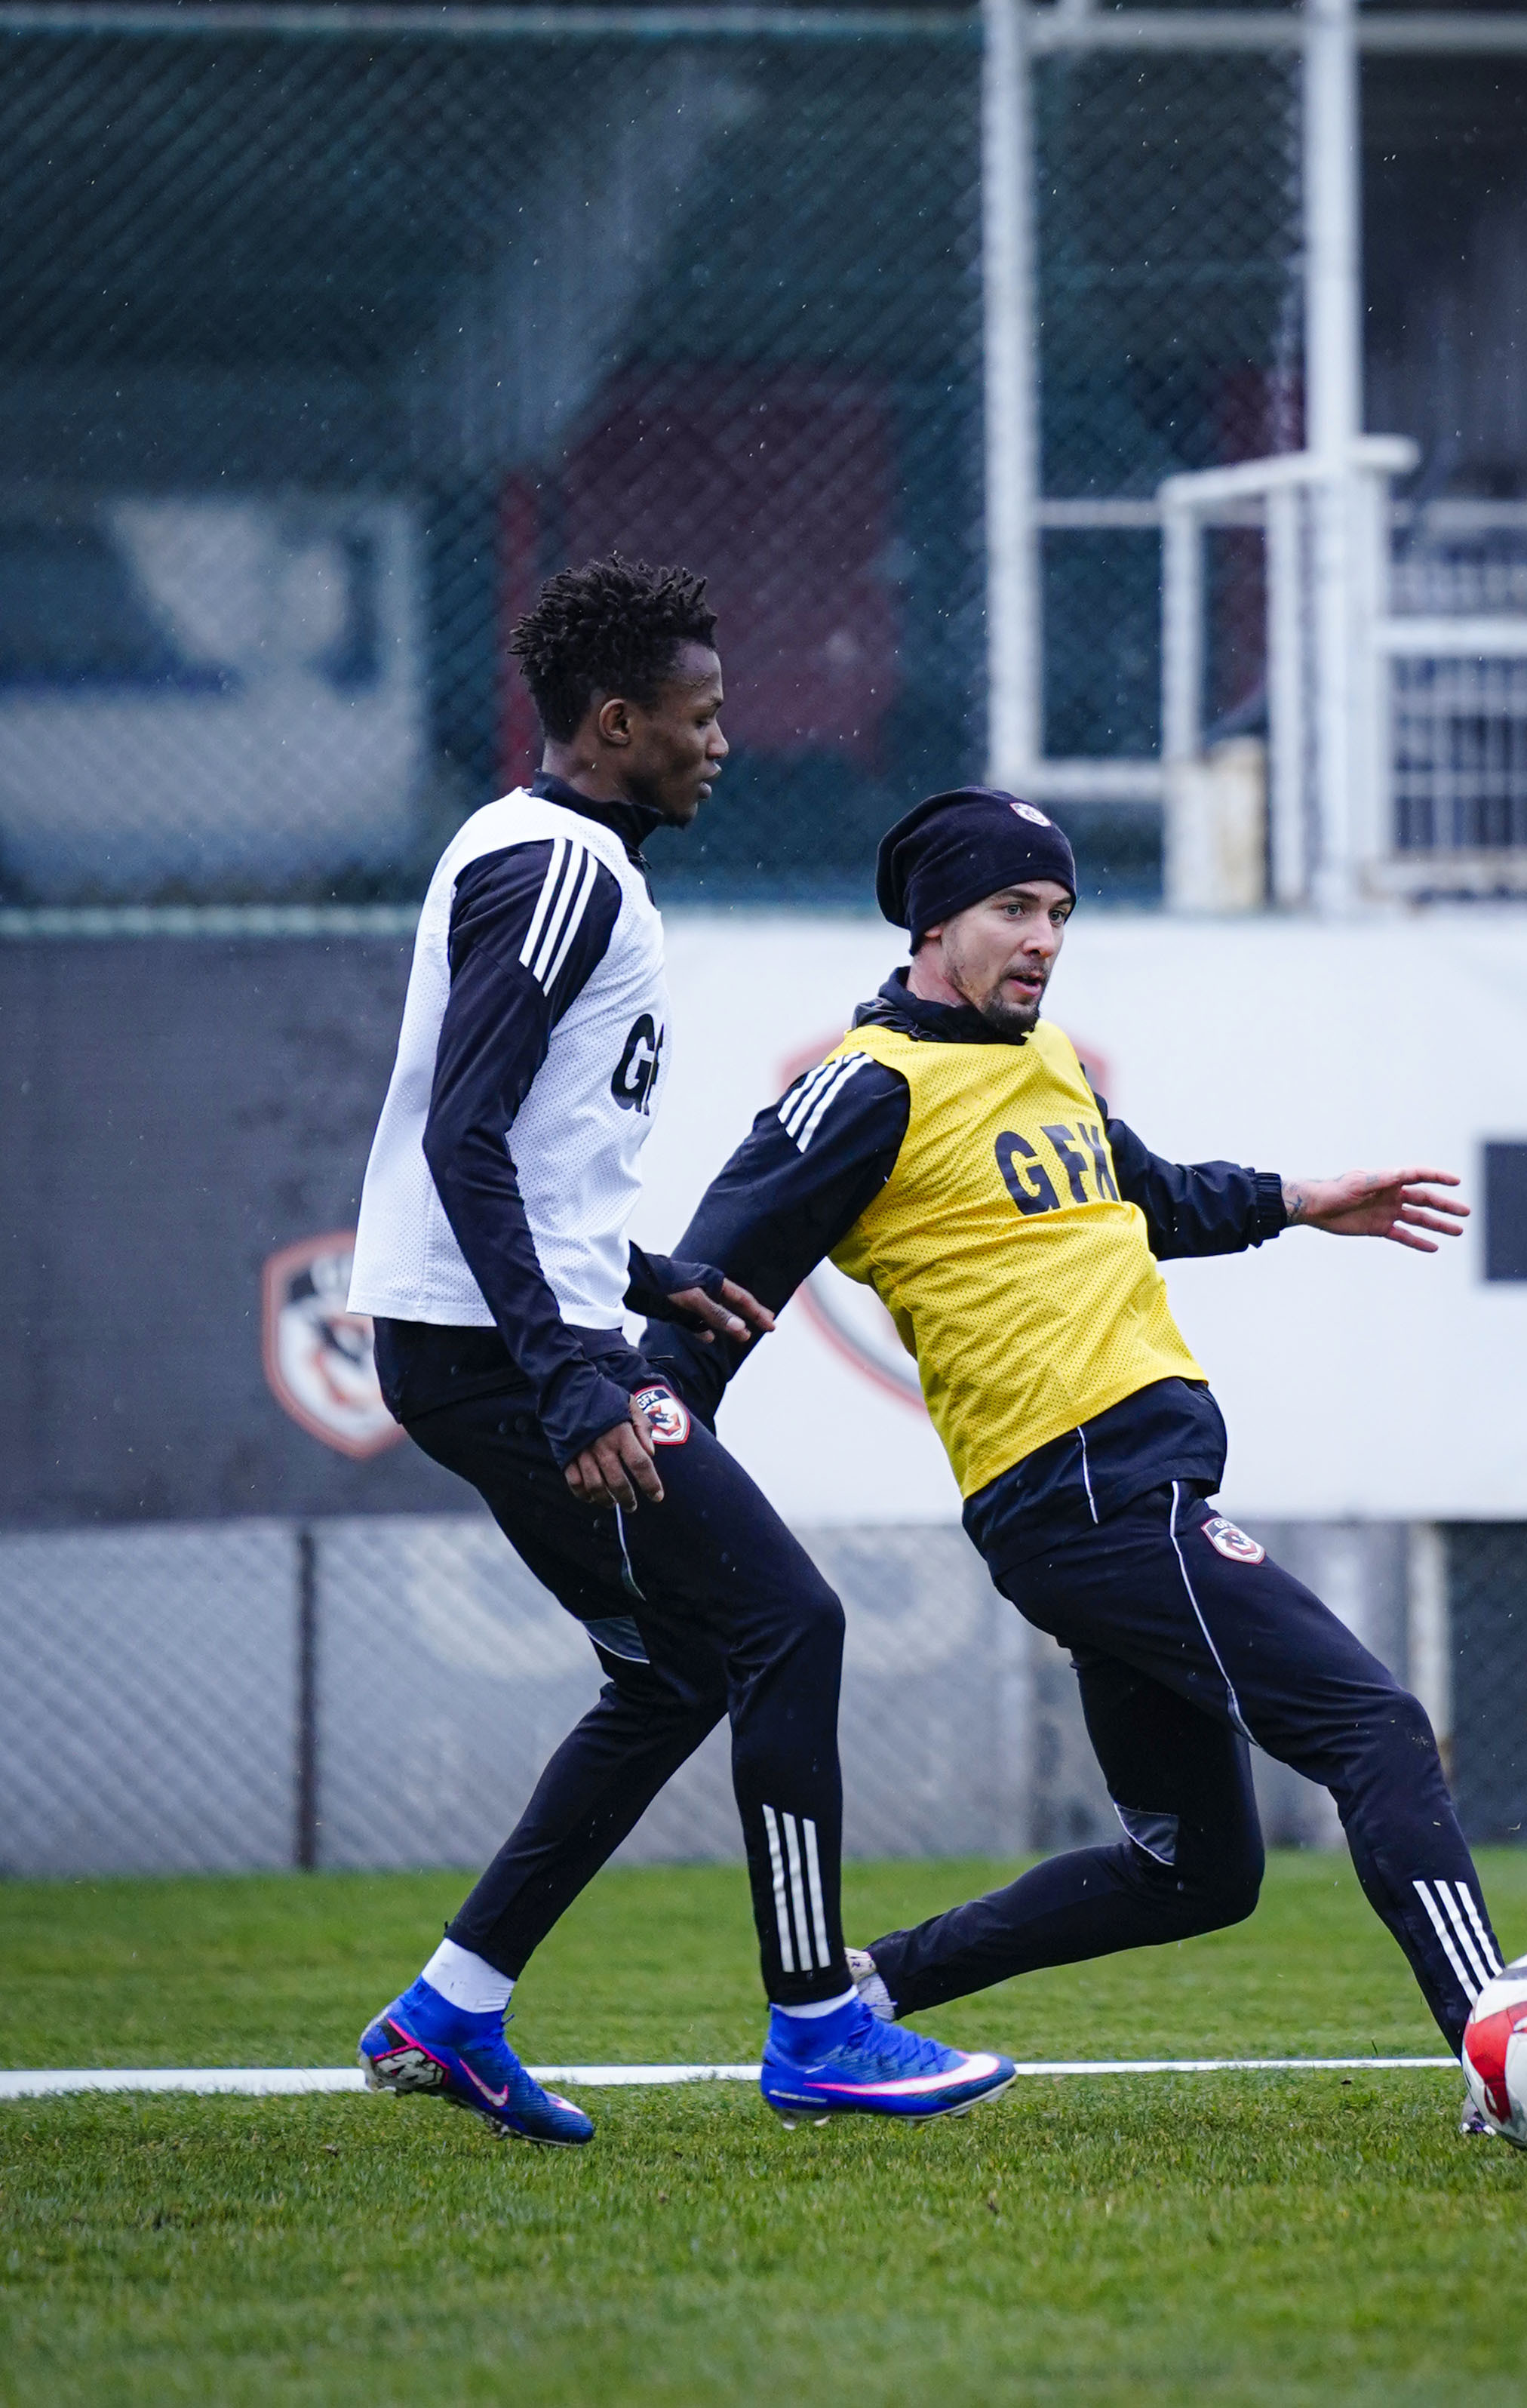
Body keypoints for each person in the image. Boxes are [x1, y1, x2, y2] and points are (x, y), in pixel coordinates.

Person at [646, 786, 1527, 2136]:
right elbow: (707, 1279)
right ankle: (1511, 2067)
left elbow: (1146, 1197)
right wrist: (658, 1422)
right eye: (1012, 909)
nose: (1044, 939)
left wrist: (1298, 1200)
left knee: (1195, 1871)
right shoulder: (866, 1087)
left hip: (1116, 1499)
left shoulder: (1042, 1060)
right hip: (1087, 1492)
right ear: (932, 923)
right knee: (1376, 1727)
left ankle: (868, 1990)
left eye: (1060, 912)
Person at [343, 564, 1013, 2145]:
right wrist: (573, 1370)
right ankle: (820, 2027)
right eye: (699, 717)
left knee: (676, 1671)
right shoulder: (559, 868)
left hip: (495, 1337)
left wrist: (650, 1273)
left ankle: (448, 2011)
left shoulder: (556, 860)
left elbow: (525, 1147)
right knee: (787, 1620)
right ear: (614, 722)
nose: (723, 741)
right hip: (502, 1354)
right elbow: (461, 1134)